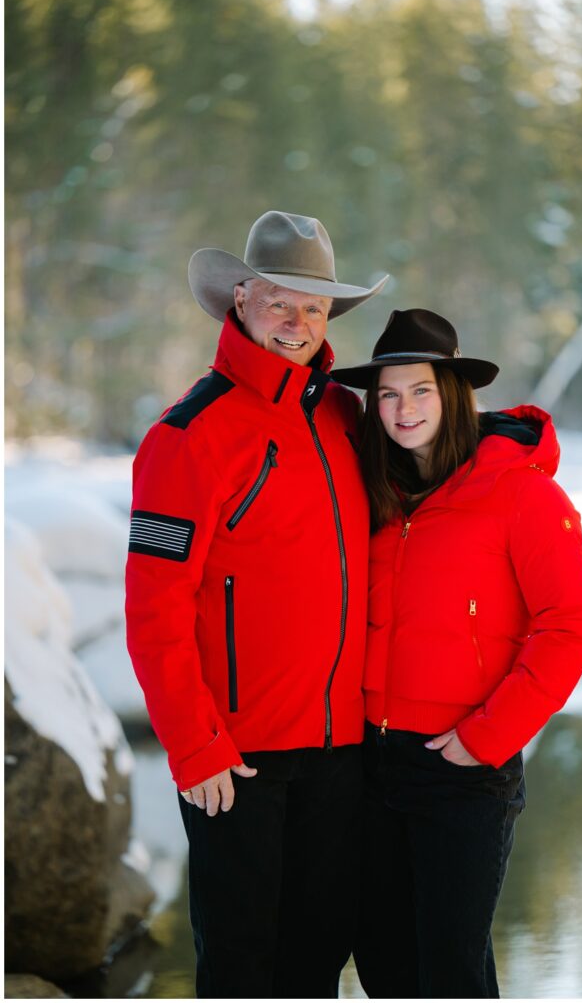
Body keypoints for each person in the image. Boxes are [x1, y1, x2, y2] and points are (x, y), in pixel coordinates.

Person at [125, 210, 388, 998]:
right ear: (240, 299)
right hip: (237, 762)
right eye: (280, 301)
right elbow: (152, 609)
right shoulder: (187, 435)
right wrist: (194, 746)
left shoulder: (345, 418)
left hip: (340, 757)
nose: (296, 322)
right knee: (241, 967)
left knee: (314, 966)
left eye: (313, 307)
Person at [331, 307, 582, 999]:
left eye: (419, 390)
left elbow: (567, 626)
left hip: (462, 767)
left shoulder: (520, 492)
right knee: (386, 964)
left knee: (450, 970)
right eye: (386, 394)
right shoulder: (376, 492)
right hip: (370, 762)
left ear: (452, 393)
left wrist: (483, 740)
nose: (401, 409)